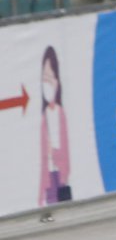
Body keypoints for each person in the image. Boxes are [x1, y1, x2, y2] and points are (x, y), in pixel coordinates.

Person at [39, 46, 71, 206]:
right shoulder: (44, 116)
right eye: (43, 78)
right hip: (49, 175)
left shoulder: (59, 113)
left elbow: (65, 148)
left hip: (59, 173)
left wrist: (55, 153)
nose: (46, 83)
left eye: (49, 78)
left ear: (57, 81)